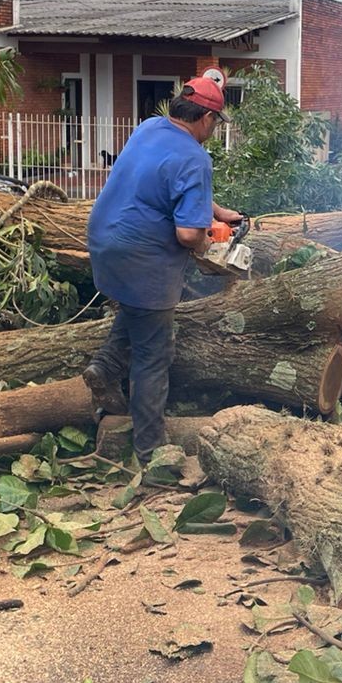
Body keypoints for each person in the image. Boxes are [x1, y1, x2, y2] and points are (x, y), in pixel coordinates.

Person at [82, 76, 242, 461]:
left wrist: (216, 212)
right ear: (206, 118)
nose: (213, 129)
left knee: (140, 311)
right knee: (154, 353)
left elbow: (164, 182)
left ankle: (103, 367)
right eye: (216, 122)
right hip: (142, 258)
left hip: (104, 242)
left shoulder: (149, 128)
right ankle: (151, 451)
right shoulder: (196, 157)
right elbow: (188, 234)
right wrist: (210, 246)